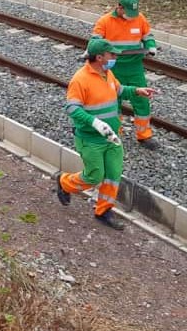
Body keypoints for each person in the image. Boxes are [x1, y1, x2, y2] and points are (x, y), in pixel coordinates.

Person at [52, 38, 157, 230]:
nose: (115, 57)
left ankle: (103, 211)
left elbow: (120, 90)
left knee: (113, 175)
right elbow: (72, 108)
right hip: (90, 139)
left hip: (112, 137)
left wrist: (137, 91)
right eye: (112, 55)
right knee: (94, 177)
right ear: (99, 57)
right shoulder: (80, 80)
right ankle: (64, 182)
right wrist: (95, 122)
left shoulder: (108, 74)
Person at [90, 0, 159, 149]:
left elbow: (147, 34)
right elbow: (95, 40)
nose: (131, 16)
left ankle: (144, 135)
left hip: (135, 67)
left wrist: (151, 45)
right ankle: (115, 133)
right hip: (115, 67)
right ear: (119, 7)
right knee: (114, 101)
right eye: (128, 13)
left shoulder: (139, 18)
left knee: (142, 99)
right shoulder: (105, 21)